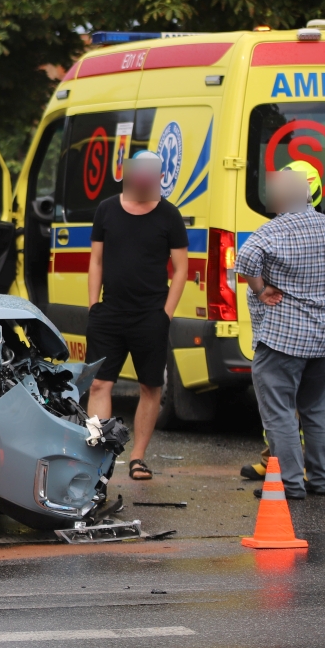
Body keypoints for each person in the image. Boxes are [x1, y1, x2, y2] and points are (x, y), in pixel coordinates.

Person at [235, 161, 325, 499]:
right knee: (316, 412)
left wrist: (261, 290)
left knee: (279, 413)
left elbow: (244, 260)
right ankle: (321, 480)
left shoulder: (272, 231)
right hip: (322, 339)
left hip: (282, 339)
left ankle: (290, 484)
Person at [85, 150, 190, 481]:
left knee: (150, 387)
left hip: (150, 315)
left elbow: (181, 269)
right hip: (110, 311)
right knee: (100, 384)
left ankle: (138, 458)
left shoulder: (169, 215)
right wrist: (93, 306)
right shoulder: (106, 209)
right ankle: (98, 457)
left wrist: (166, 315)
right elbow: (96, 261)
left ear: (160, 178)